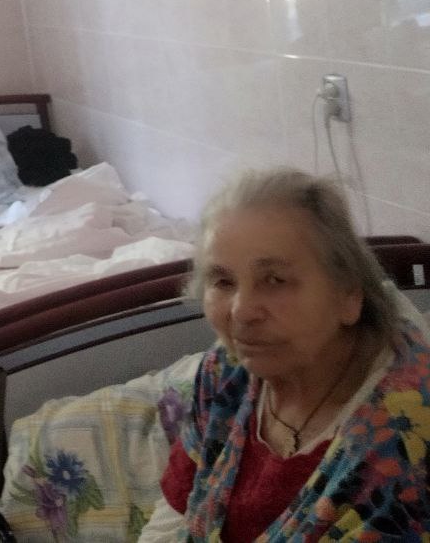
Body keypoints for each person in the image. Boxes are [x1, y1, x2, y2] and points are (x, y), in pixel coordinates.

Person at [143, 168, 430, 540]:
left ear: (348, 294)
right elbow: (178, 510)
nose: (241, 312)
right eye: (223, 281)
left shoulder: (404, 445)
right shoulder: (225, 370)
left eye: (275, 280)